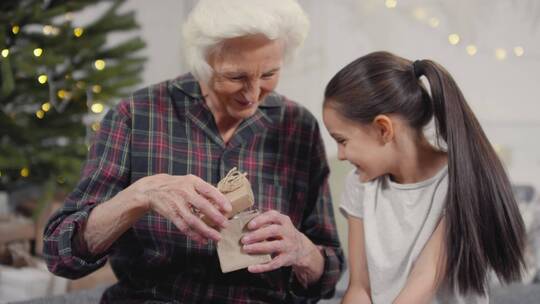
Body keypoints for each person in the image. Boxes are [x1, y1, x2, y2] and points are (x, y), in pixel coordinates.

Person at [43, 0, 344, 302]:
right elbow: (60, 253)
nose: (252, 94)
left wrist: (302, 251)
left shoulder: (298, 126)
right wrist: (141, 195)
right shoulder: (137, 115)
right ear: (203, 61)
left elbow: (328, 276)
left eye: (268, 75)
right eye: (236, 77)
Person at [322, 51, 526, 303]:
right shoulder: (360, 184)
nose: (340, 155)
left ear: (383, 129)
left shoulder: (459, 179)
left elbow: (424, 279)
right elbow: (359, 288)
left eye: (342, 140)